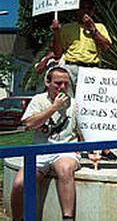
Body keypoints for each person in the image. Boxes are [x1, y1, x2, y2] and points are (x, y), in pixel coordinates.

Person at [11, 66, 82, 221]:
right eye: (58, 83)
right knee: (19, 184)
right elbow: (29, 124)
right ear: (47, 83)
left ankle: (68, 218)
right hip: (40, 150)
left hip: (65, 149)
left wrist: (93, 151)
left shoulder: (75, 103)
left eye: (65, 83)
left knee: (65, 169)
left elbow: (84, 130)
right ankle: (18, 218)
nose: (62, 87)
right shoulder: (39, 100)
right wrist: (54, 108)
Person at [51, 0, 117, 161]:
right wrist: (57, 33)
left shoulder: (100, 26)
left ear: (93, 11)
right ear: (77, 10)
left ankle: (103, 147)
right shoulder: (67, 28)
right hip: (71, 68)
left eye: (90, 8)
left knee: (95, 109)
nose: (86, 11)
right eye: (83, 7)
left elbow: (107, 46)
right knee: (71, 108)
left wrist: (93, 29)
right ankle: (77, 145)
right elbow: (58, 53)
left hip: (92, 69)